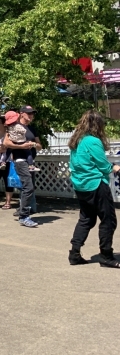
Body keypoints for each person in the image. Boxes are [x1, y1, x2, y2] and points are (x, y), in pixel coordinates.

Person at [67, 110, 120, 268]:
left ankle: (74, 253)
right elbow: (103, 165)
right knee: (108, 220)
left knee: (86, 219)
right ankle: (106, 255)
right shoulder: (93, 141)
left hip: (81, 185)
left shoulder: (77, 140)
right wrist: (114, 167)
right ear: (97, 124)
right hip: (95, 184)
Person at [7, 105, 42, 227]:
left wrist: (35, 145)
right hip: (20, 161)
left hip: (30, 162)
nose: (31, 115)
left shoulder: (31, 128)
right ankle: (24, 216)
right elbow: (6, 143)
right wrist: (21, 147)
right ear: (21, 113)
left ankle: (23, 211)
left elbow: (39, 145)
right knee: (28, 187)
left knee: (28, 188)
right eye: (29, 113)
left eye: (32, 113)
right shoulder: (15, 126)